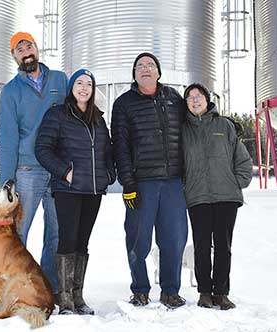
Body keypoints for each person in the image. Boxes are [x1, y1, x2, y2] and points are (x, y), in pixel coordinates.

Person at [111, 52, 188, 309]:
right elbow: (119, 146)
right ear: (134, 74)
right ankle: (140, 289)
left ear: (158, 72)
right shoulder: (124, 104)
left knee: (174, 240)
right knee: (137, 240)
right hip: (142, 183)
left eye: (150, 65)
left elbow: (193, 126)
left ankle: (170, 290)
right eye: (140, 66)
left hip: (173, 183)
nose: (145, 69)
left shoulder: (174, 99)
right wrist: (128, 183)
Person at [35, 69, 116, 315]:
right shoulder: (58, 115)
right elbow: (42, 149)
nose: (84, 88)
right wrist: (65, 172)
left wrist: (108, 175)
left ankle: (78, 296)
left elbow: (107, 150)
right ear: (71, 88)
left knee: (83, 242)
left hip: (92, 190)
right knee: (67, 240)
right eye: (79, 83)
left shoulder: (98, 118)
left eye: (88, 84)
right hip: (68, 189)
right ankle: (65, 298)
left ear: (92, 90)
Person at [0, 31, 67, 296]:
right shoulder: (10, 92)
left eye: (29, 46)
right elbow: (7, 138)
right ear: (14, 56)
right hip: (28, 171)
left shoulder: (60, 80)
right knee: (17, 234)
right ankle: (11, 289)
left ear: (37, 49)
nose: (26, 52)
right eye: (19, 49)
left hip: (59, 169)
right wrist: (7, 180)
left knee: (56, 234)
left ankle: (48, 288)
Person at [182, 83, 252, 310]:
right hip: (197, 196)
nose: (194, 100)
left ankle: (221, 293)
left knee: (223, 246)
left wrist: (235, 183)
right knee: (202, 246)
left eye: (198, 96)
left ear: (207, 98)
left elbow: (242, 160)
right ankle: (204, 292)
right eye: (190, 97)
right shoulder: (182, 130)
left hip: (225, 197)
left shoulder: (225, 125)